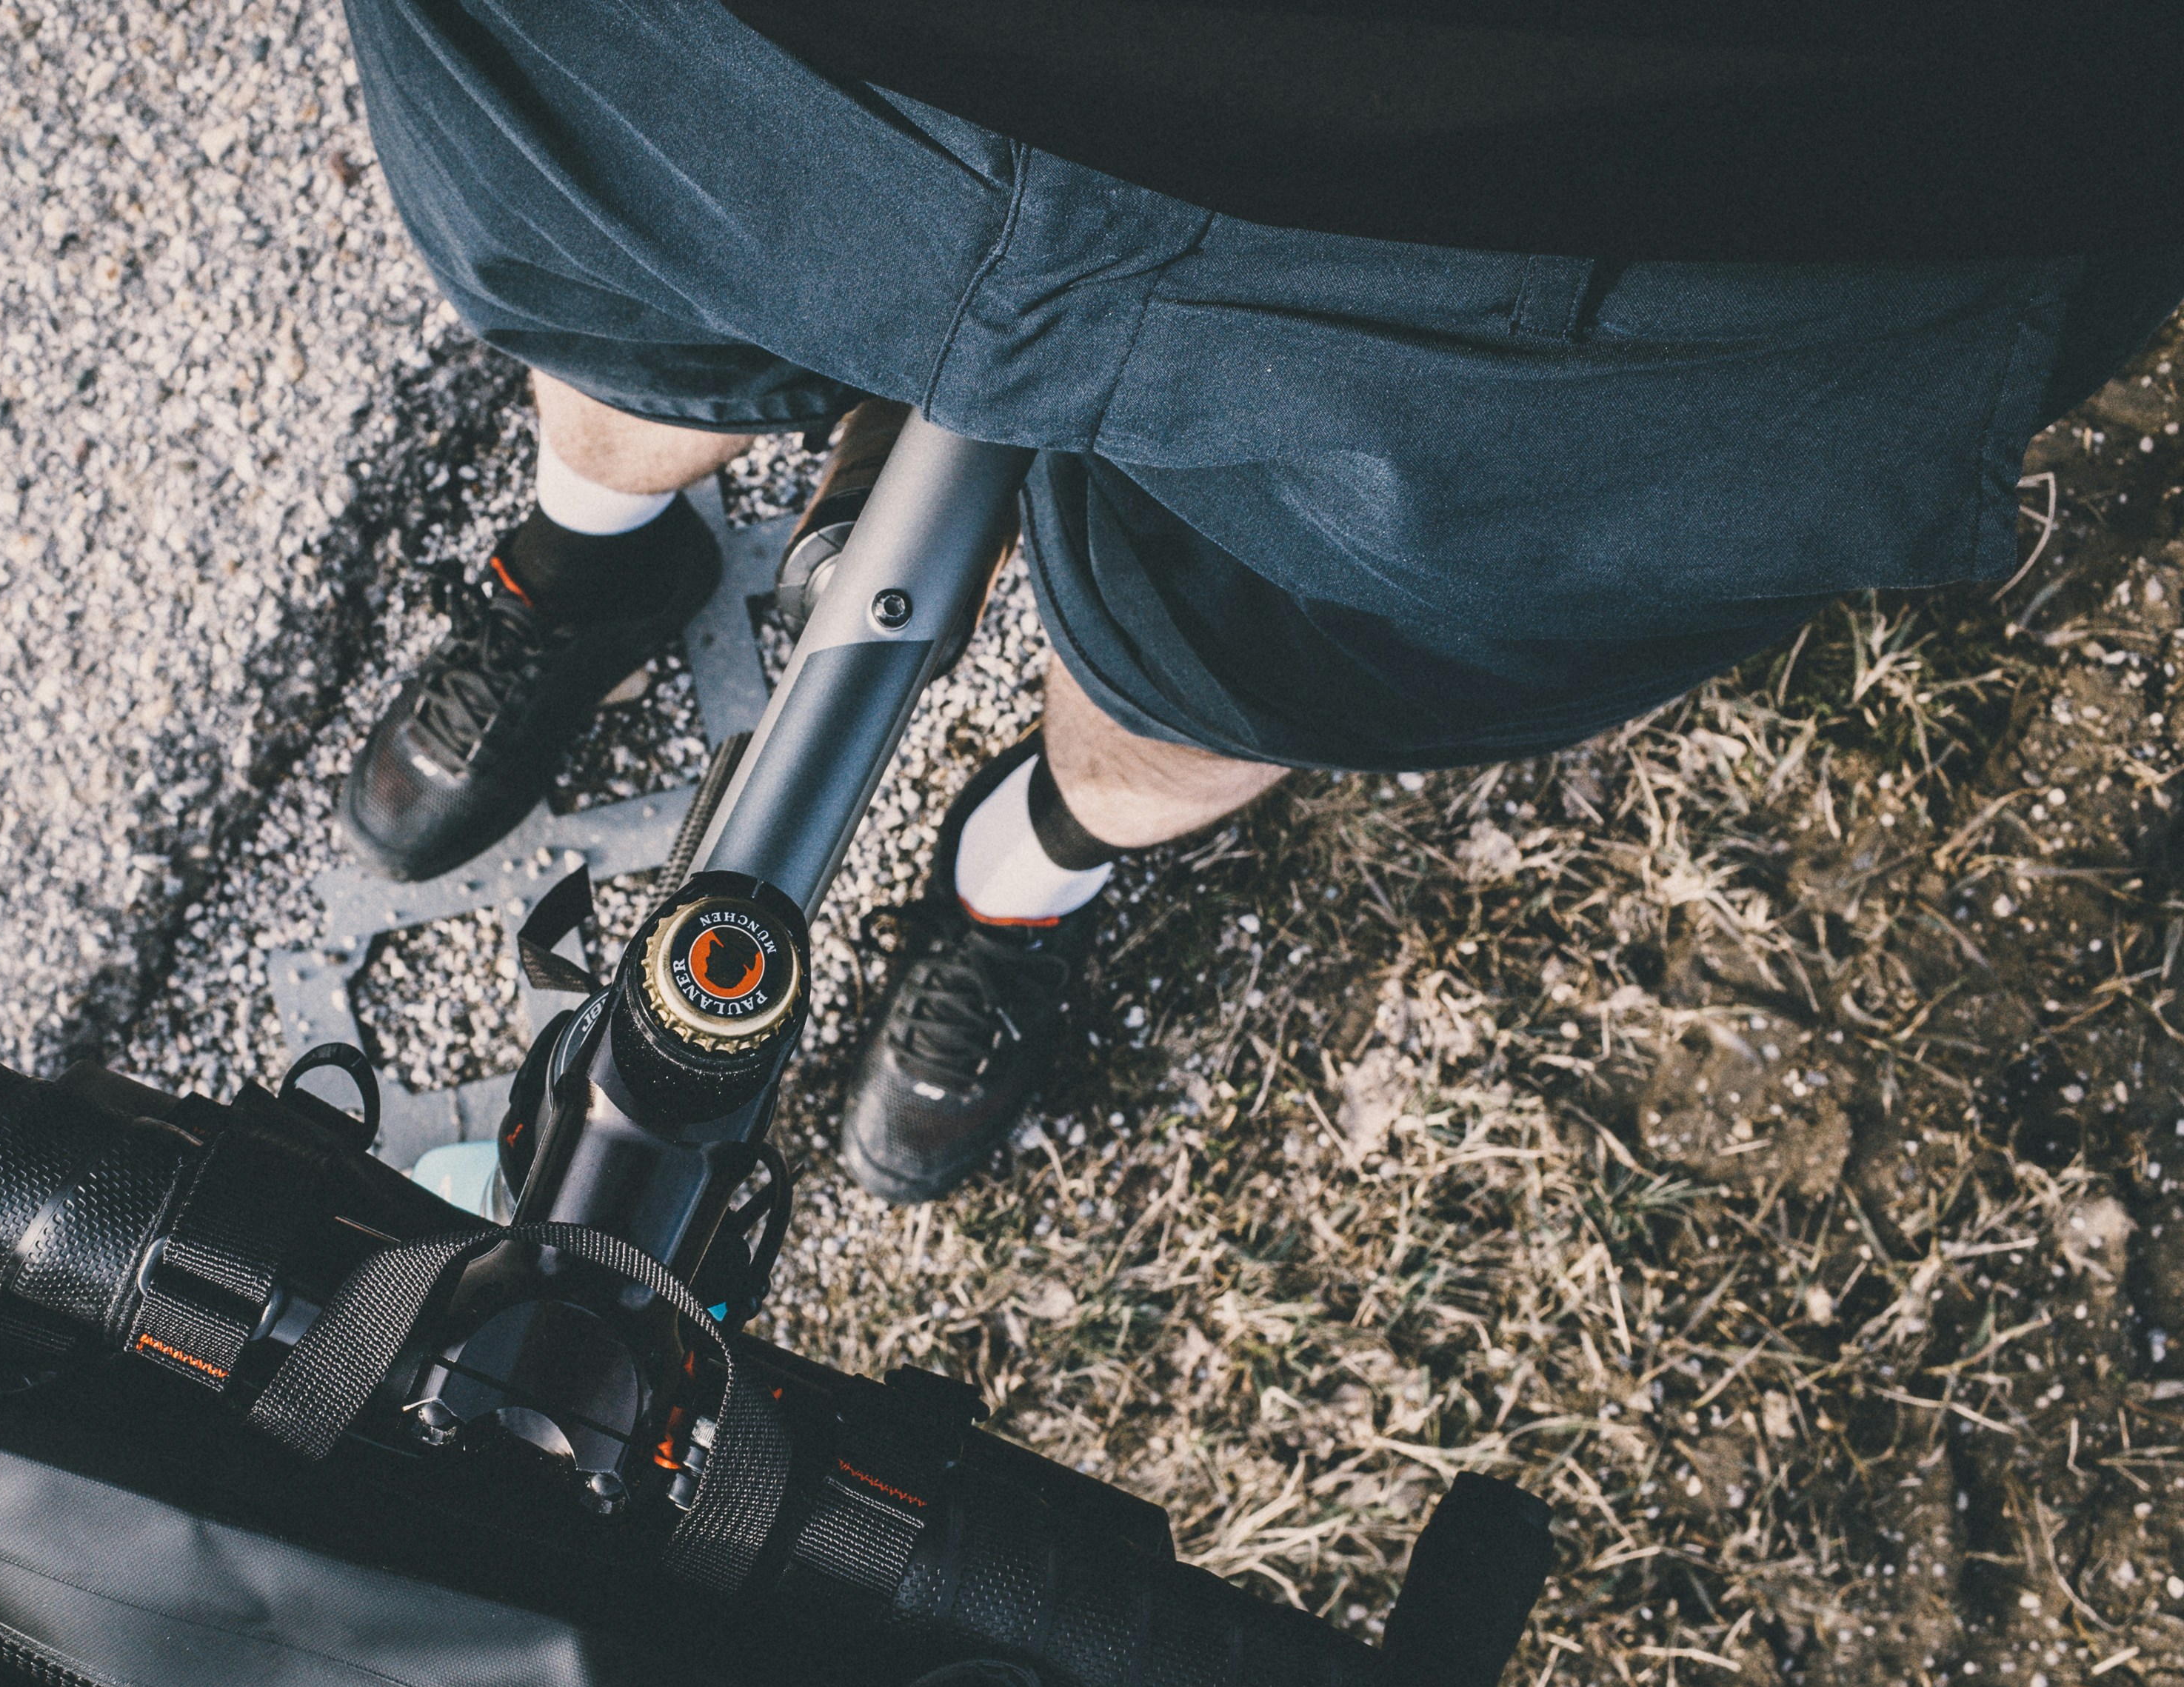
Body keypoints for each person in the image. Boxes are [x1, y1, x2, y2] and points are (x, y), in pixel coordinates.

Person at [332, 0, 2184, 1204]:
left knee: (1223, 667)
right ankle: (580, 555)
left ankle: (1023, 863)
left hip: (1690, 192)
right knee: (616, 327)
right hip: (760, 46)